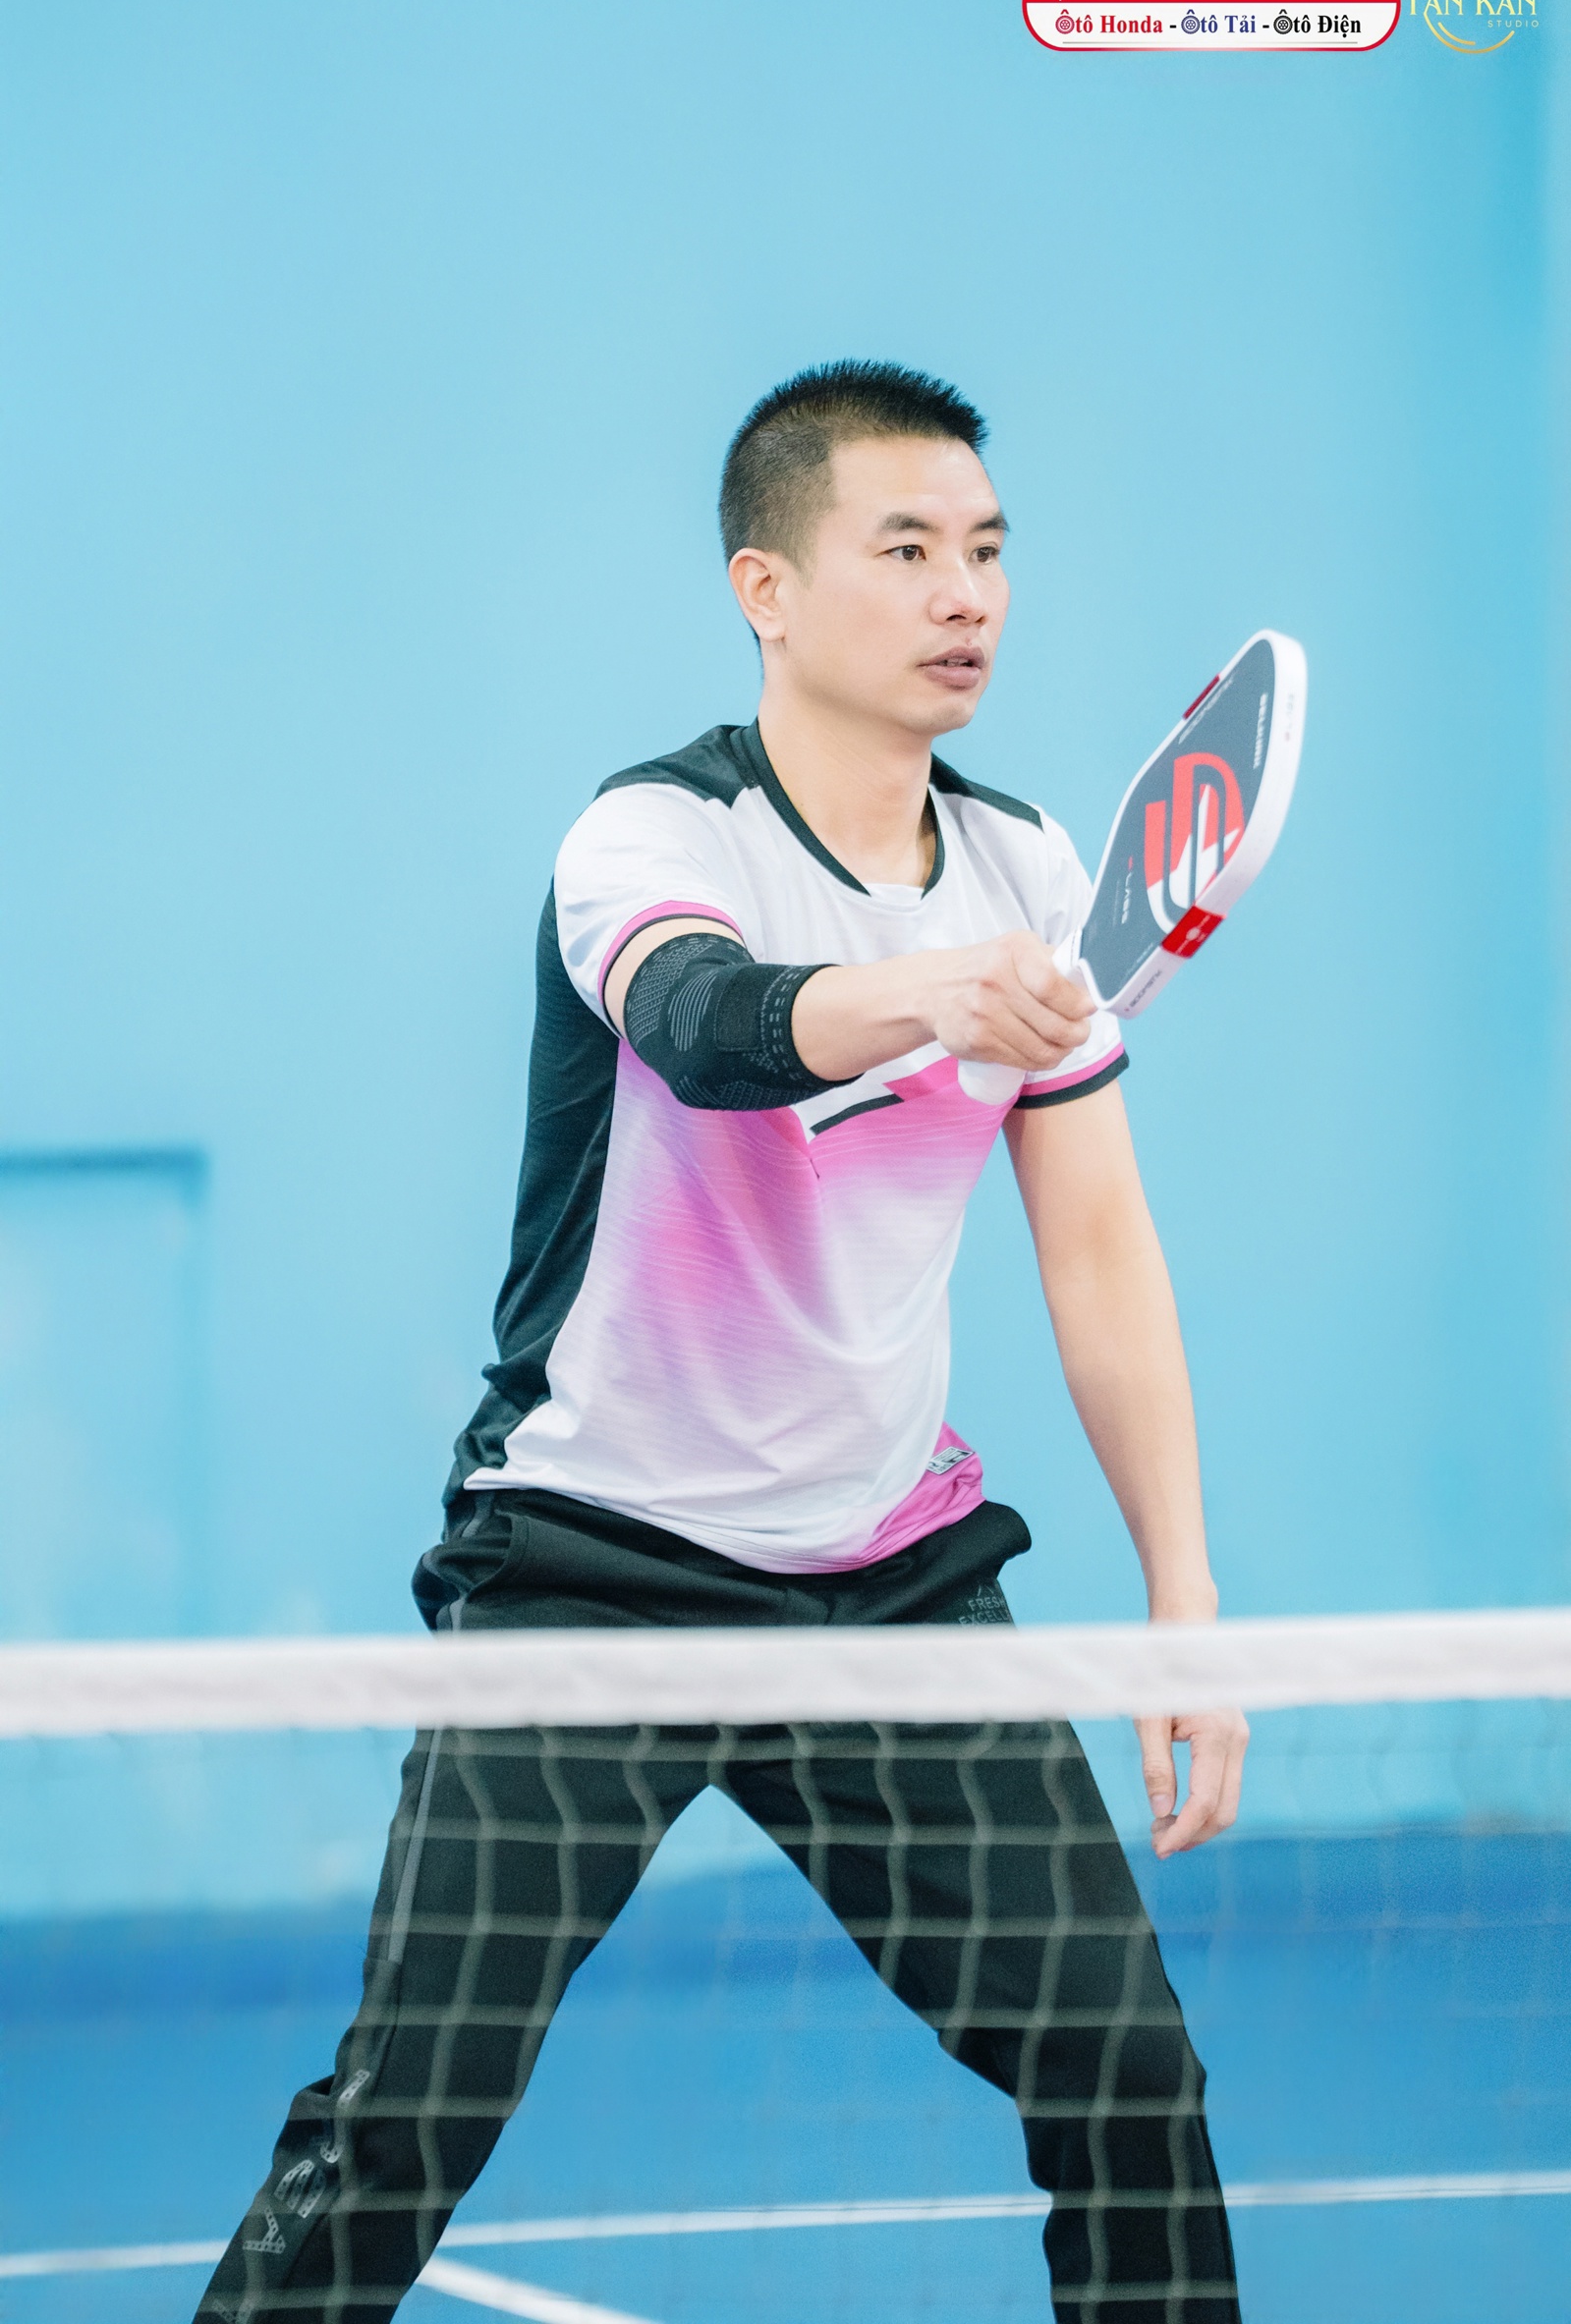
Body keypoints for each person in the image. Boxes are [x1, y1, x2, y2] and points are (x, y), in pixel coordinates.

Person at [197, 360, 1249, 2324]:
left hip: (884, 1582)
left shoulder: (1029, 874)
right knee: (406, 2119)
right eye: (906, 549)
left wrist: (1181, 1601)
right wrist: (933, 997)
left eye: (988, 550)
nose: (965, 595)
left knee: (1129, 2084)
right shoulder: (646, 837)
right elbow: (710, 1030)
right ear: (765, 589)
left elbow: (1099, 1252)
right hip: (591, 1572)